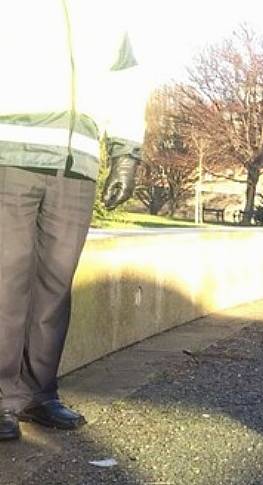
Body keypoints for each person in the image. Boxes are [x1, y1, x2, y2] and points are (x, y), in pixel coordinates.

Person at [0, 1, 147, 441]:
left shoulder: (106, 12)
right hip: (9, 149)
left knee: (56, 284)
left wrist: (125, 153)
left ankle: (37, 393)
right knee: (5, 280)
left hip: (77, 161)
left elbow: (127, 83)